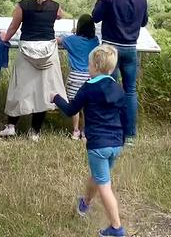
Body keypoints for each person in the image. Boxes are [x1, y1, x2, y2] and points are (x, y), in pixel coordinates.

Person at [52, 44, 127, 237]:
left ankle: (116, 228)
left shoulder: (88, 88)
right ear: (111, 68)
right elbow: (125, 117)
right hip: (116, 143)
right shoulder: (118, 89)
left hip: (98, 144)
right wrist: (123, 138)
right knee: (98, 175)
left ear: (93, 65)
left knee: (104, 186)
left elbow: (71, 110)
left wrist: (56, 98)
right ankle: (84, 203)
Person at [0, 0, 66, 141]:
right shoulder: (55, 6)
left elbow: (14, 26)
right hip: (48, 51)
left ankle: (11, 126)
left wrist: (5, 38)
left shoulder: (23, 5)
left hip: (27, 50)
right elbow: (60, 15)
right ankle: (35, 132)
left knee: (19, 88)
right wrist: (48, 0)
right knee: (44, 91)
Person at [91, 0, 148, 144]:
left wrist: (100, 0)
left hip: (111, 49)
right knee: (130, 91)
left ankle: (110, 131)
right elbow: (143, 22)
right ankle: (129, 135)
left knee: (110, 89)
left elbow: (95, 17)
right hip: (130, 48)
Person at [57, 14, 99, 140]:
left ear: (79, 27)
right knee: (88, 105)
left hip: (75, 77)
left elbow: (58, 40)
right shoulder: (95, 40)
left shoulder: (71, 40)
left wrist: (73, 35)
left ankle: (75, 130)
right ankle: (86, 132)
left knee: (75, 105)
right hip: (90, 77)